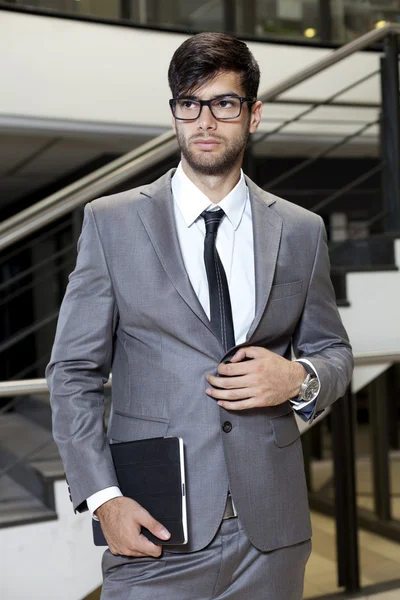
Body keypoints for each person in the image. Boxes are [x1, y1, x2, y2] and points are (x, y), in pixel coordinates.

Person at [46, 32, 353, 600]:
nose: (205, 121)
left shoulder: (301, 230)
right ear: (174, 115)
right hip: (156, 531)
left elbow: (334, 352)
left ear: (253, 114)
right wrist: (103, 499)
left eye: (224, 104)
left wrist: (299, 378)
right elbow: (72, 374)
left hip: (272, 535)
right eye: (189, 103)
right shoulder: (111, 223)